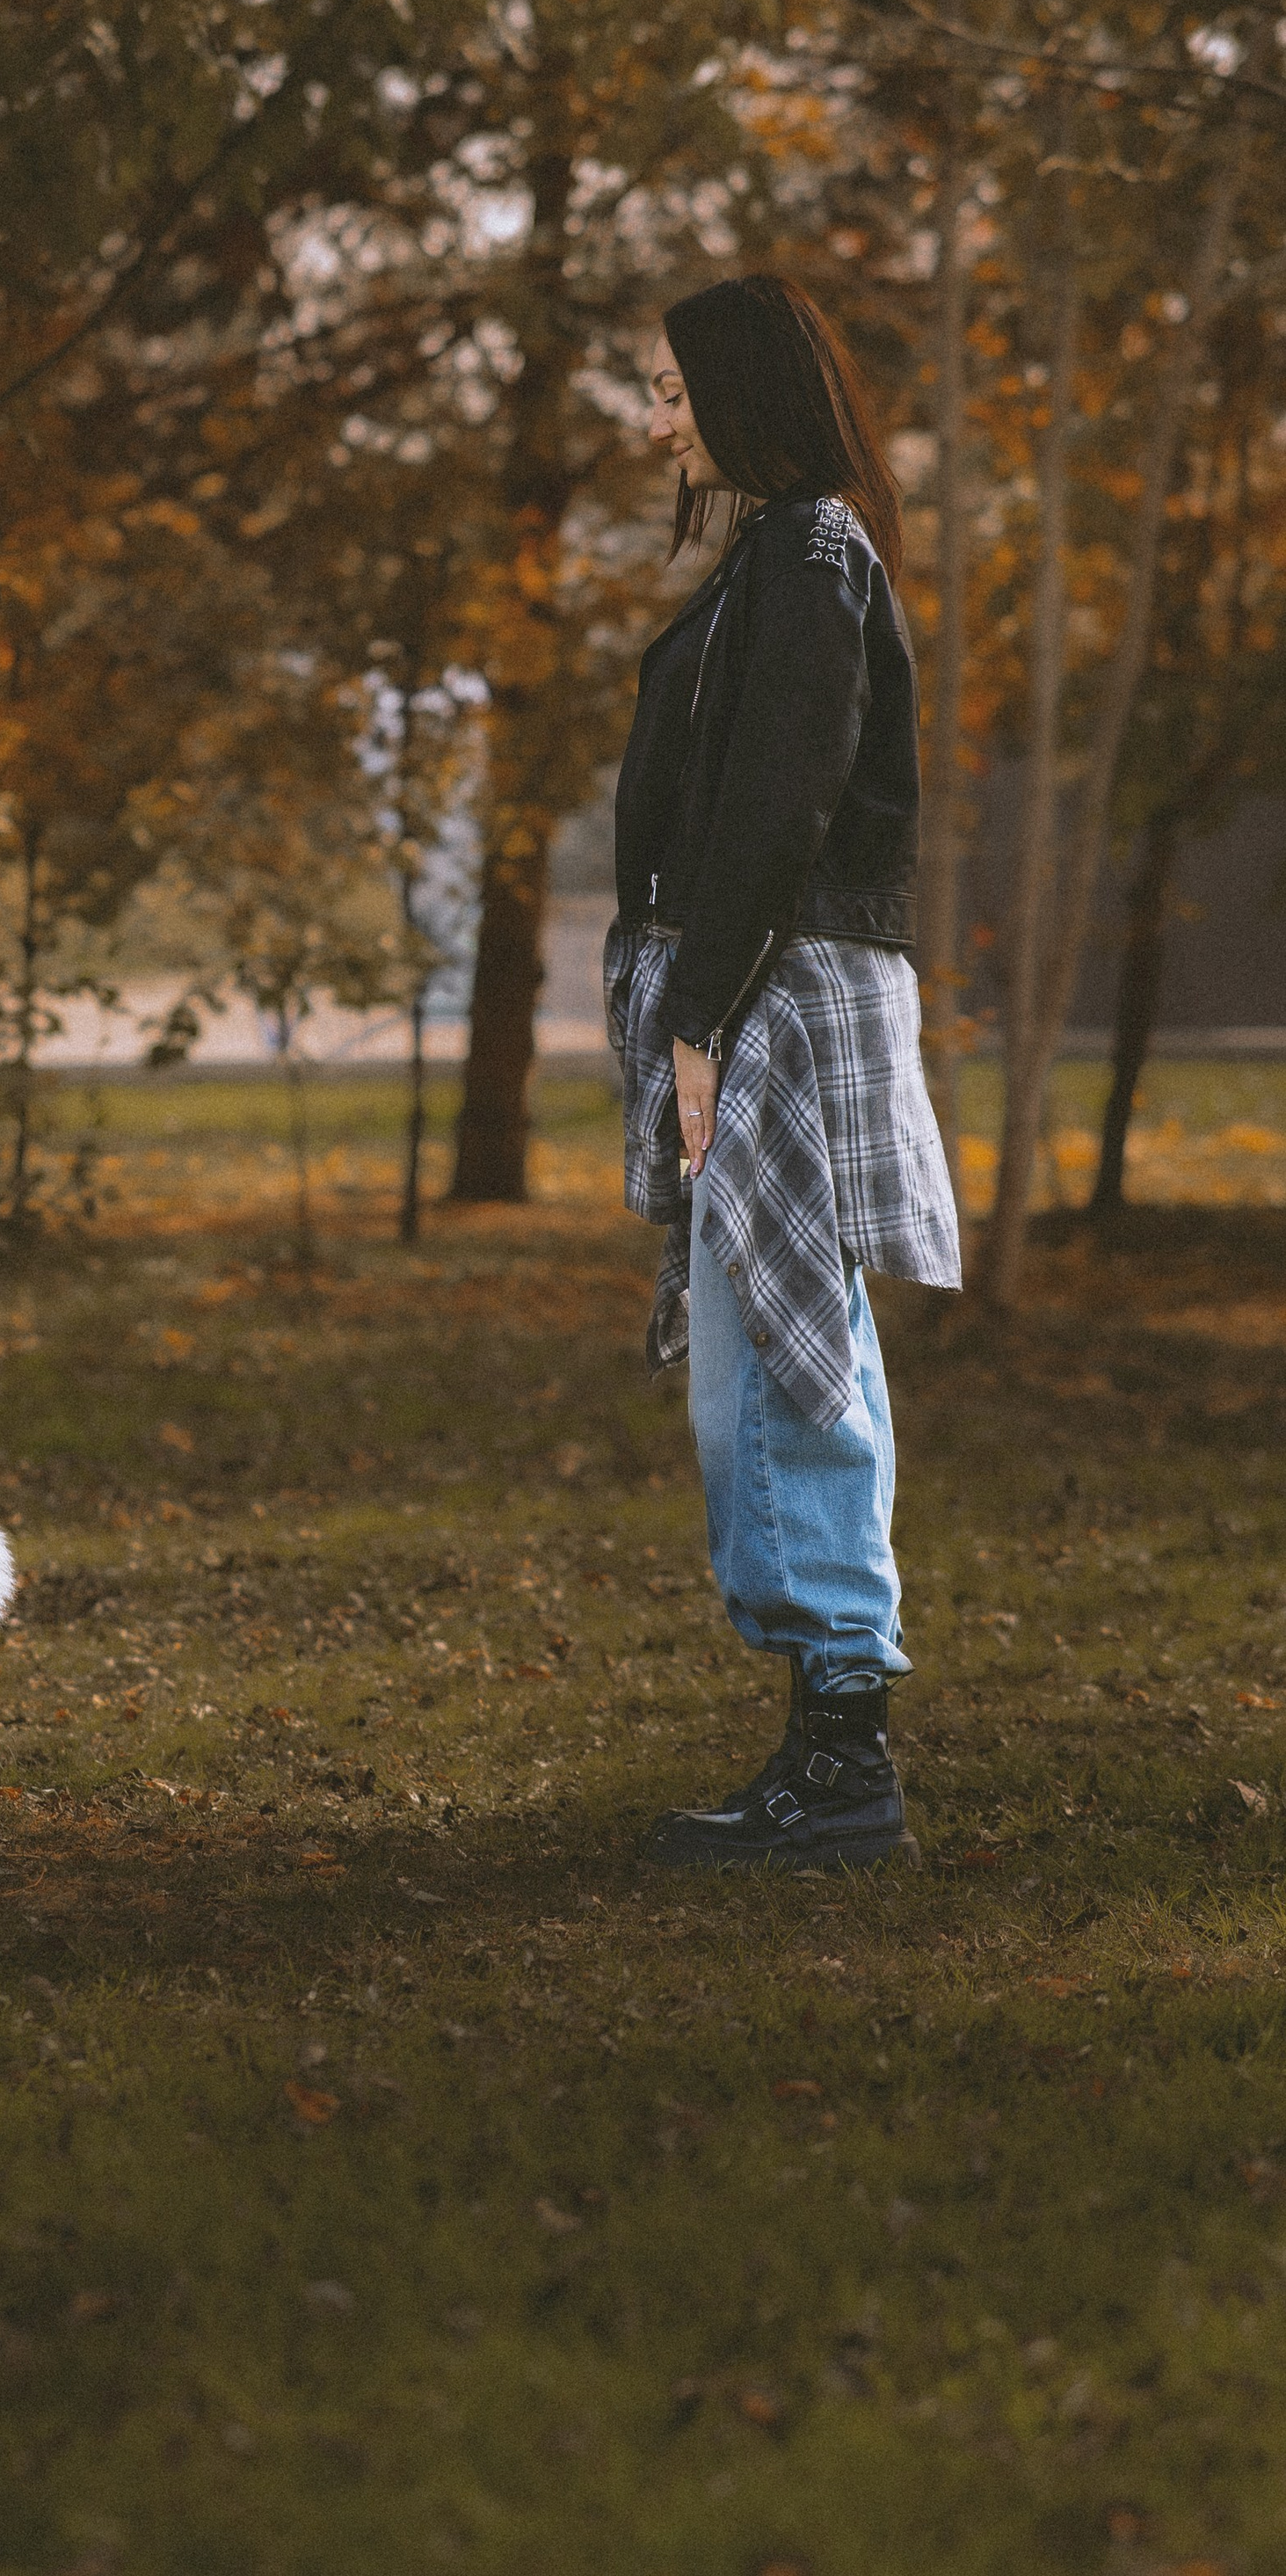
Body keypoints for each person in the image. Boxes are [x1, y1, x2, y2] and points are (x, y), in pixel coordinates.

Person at [605, 272, 961, 1870]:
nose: (655, 423)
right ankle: (831, 1741)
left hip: (780, 999)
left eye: (673, 391)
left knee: (787, 1361)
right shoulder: (784, 555)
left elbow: (782, 799)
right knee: (767, 1359)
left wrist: (700, 1018)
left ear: (744, 391)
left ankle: (843, 1762)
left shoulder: (812, 553)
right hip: (760, 986)